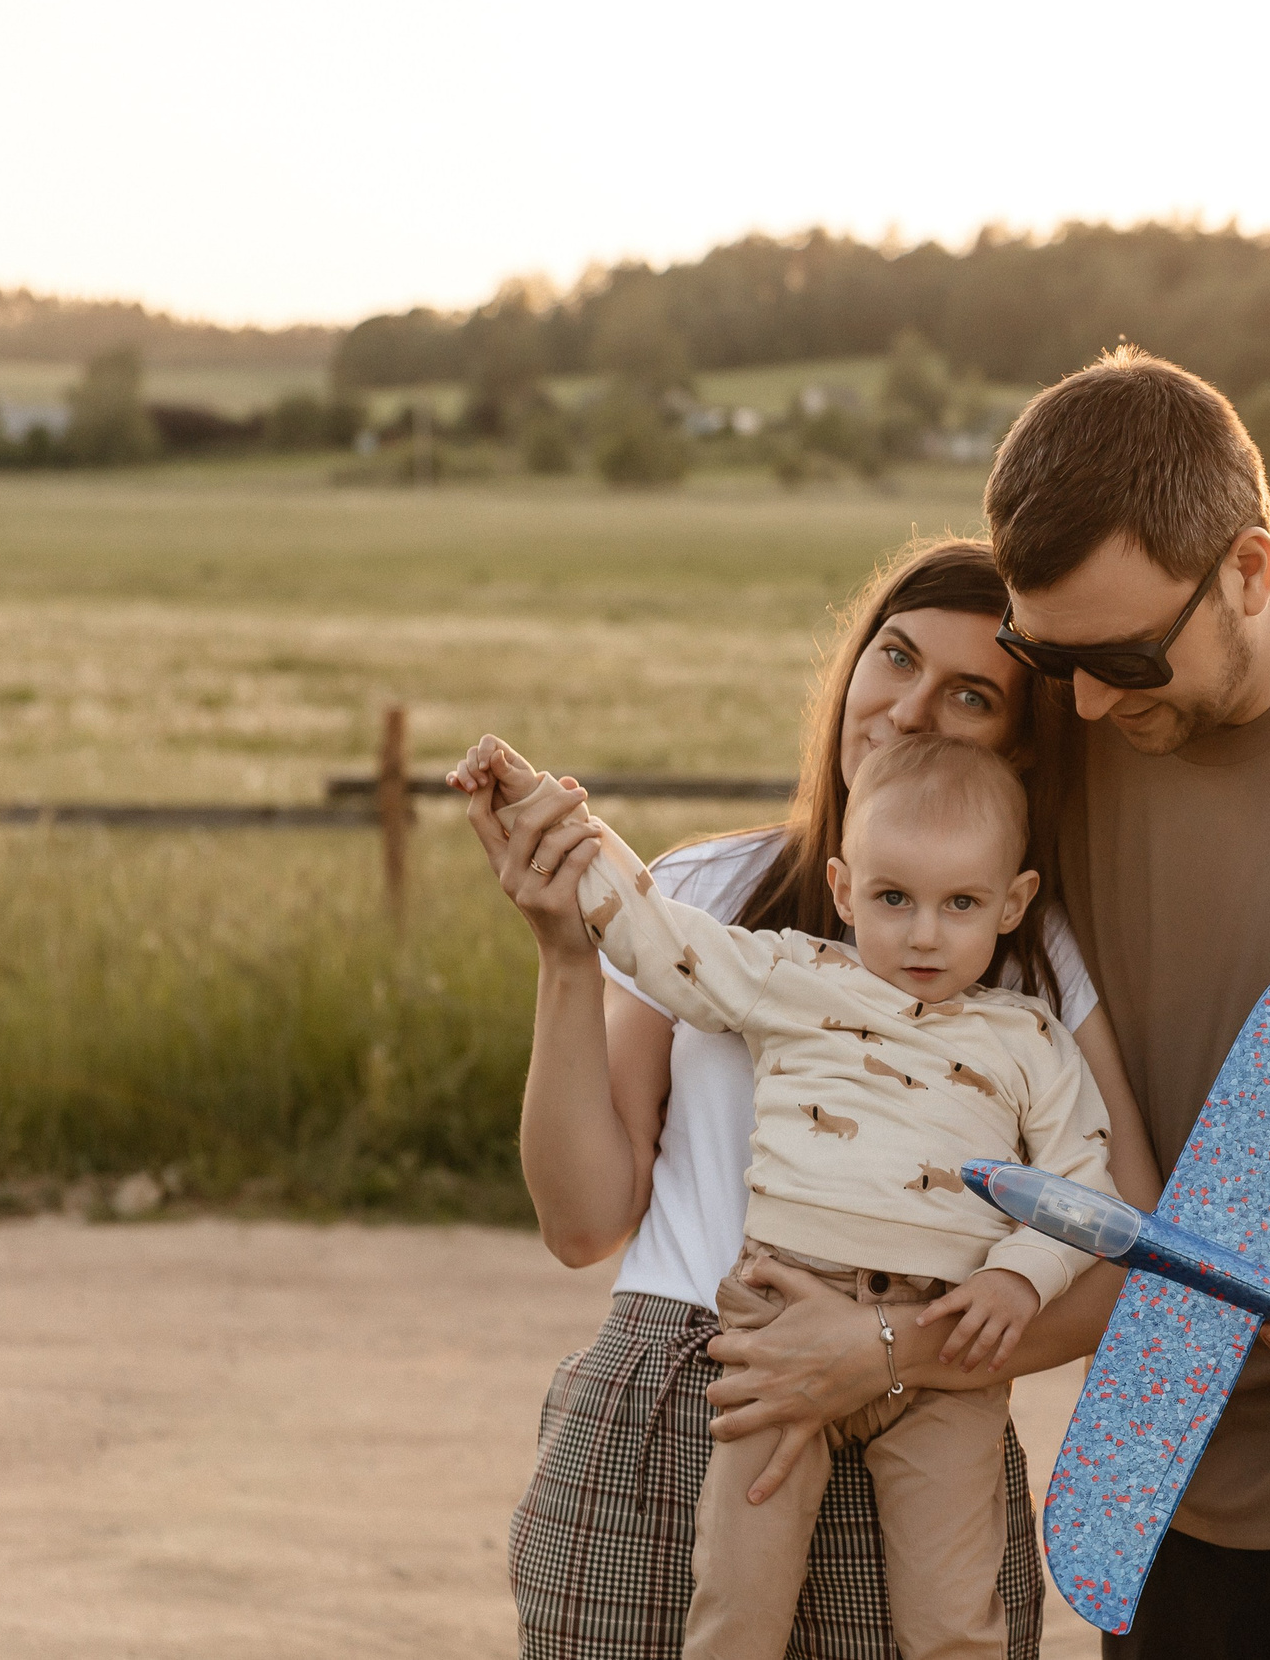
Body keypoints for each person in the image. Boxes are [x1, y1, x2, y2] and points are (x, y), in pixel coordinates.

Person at [704, 349, 1270, 1660]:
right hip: (1151, 1465)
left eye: (1126, 656)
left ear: (1249, 569)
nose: (1082, 700)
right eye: (1051, 657)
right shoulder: (1084, 730)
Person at [453, 537, 1164, 1660]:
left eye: (969, 693)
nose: (909, 710)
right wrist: (565, 953)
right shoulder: (707, 896)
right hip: (694, 1393)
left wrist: (890, 1349)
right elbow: (583, 1222)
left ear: (1021, 749)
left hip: (926, 1413)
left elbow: (1124, 1246)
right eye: (895, 657)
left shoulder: (1033, 970)